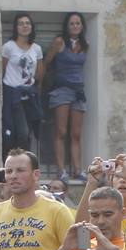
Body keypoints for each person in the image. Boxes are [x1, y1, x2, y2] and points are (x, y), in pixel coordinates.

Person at [42, 12, 88, 179]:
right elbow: (46, 62)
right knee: (61, 131)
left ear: (82, 26)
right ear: (67, 26)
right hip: (62, 89)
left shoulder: (84, 44)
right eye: (72, 23)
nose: (75, 26)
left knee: (76, 133)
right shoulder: (60, 42)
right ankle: (61, 170)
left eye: (78, 23)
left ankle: (78, 169)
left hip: (78, 91)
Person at [1, 13, 44, 153]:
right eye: (21, 23)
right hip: (13, 95)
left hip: (29, 95)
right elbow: (3, 69)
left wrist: (35, 89)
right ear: (16, 27)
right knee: (21, 132)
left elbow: (39, 72)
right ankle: (17, 160)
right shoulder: (9, 47)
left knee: (29, 131)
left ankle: (26, 162)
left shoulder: (36, 48)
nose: (25, 26)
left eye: (27, 23)